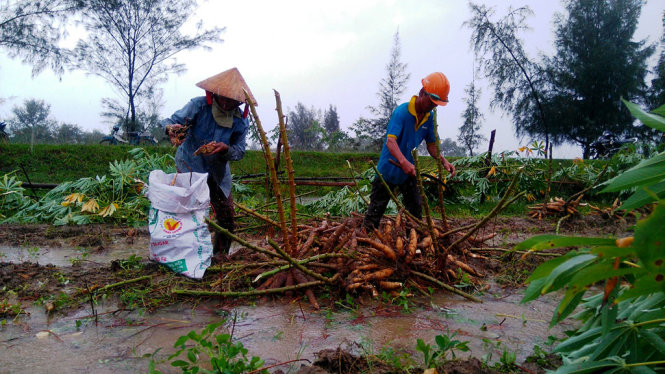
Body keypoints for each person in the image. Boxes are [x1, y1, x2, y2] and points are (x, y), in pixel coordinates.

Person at [160, 67, 257, 258]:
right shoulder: (198, 106)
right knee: (189, 211)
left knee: (227, 213)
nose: (228, 105)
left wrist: (226, 149)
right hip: (190, 166)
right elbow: (170, 121)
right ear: (215, 94)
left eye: (234, 102)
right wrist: (171, 129)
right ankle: (186, 254)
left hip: (218, 172)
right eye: (225, 100)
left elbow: (240, 151)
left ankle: (220, 256)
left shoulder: (240, 121)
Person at [363, 72, 456, 231]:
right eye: (431, 101)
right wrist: (403, 162)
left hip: (408, 172)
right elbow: (390, 142)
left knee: (415, 210)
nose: (433, 106)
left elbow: (432, 145)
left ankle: (413, 240)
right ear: (422, 93)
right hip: (387, 170)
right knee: (376, 211)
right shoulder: (402, 112)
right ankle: (365, 240)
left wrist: (444, 161)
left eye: (436, 104)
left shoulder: (429, 118)